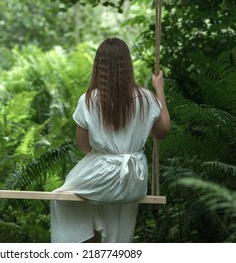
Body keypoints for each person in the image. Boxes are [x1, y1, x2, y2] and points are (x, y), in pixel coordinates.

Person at [50, 37, 170, 243]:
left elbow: (84, 147)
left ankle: (88, 244)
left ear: (99, 66)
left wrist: (108, 149)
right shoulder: (146, 98)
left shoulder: (89, 99)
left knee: (61, 197)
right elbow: (163, 132)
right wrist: (159, 89)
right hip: (134, 181)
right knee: (100, 203)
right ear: (128, 65)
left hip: (105, 175)